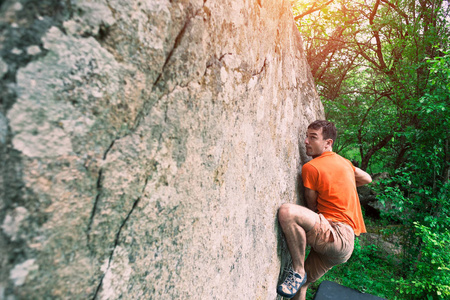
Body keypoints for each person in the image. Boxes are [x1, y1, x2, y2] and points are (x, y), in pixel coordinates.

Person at [276, 120, 372, 299]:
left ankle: (297, 269)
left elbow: (311, 206)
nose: (306, 141)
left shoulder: (311, 167)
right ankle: (300, 277)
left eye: (313, 137)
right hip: (344, 247)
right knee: (302, 286)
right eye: (306, 136)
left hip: (335, 234)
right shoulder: (345, 163)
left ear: (328, 143)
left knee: (287, 212)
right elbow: (367, 178)